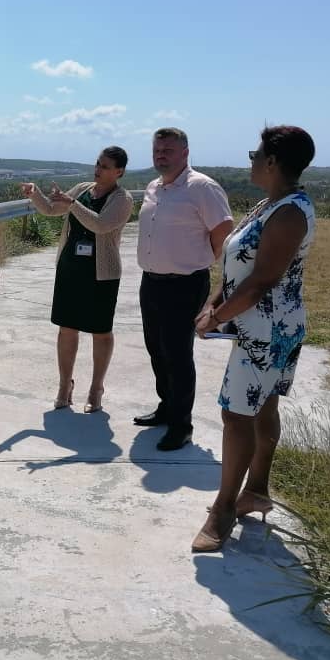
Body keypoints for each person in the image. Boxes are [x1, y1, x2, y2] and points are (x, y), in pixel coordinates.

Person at [192, 125, 317, 552]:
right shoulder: (271, 204)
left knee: (236, 415)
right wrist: (214, 302)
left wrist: (217, 317)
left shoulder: (290, 213)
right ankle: (257, 490)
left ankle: (223, 509)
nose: (249, 159)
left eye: (255, 152)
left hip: (266, 329)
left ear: (272, 162)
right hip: (261, 323)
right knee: (261, 406)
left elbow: (263, 280)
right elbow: (237, 264)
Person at [134, 128, 233, 450]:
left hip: (185, 284)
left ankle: (181, 425)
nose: (161, 154)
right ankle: (166, 408)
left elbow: (224, 233)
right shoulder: (154, 187)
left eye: (168, 150)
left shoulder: (201, 187)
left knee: (177, 355)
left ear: (185, 153)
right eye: (157, 149)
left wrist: (202, 262)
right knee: (156, 350)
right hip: (151, 282)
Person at [20, 146, 133, 413]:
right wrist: (35, 194)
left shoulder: (123, 198)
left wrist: (72, 204)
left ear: (119, 172)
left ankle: (96, 388)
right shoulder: (83, 189)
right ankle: (64, 385)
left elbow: (101, 224)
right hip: (71, 267)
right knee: (67, 328)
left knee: (100, 332)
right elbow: (50, 210)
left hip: (102, 273)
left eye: (105, 166)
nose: (98, 169)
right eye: (97, 163)